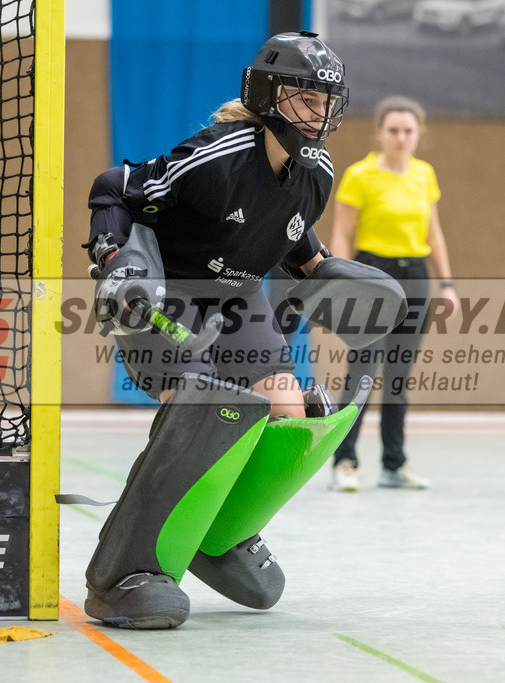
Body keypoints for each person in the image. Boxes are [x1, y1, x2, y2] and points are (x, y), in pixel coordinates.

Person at [83, 32, 407, 630]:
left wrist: (317, 270)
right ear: (266, 95)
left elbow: (287, 227)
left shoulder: (316, 173)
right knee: (203, 410)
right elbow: (115, 187)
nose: (320, 112)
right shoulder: (216, 157)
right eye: (305, 98)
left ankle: (220, 531)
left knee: (291, 411)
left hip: (236, 294)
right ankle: (123, 575)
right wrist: (112, 259)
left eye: (326, 101)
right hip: (162, 292)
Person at [327, 96, 457, 492]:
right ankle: (344, 461)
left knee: (399, 376)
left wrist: (447, 283)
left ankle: (393, 464)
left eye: (408, 131)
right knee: (362, 371)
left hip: (415, 276)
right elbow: (342, 233)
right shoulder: (360, 175)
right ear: (380, 134)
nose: (401, 137)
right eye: (393, 130)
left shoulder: (424, 175)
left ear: (418, 135)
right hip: (371, 273)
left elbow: (433, 233)